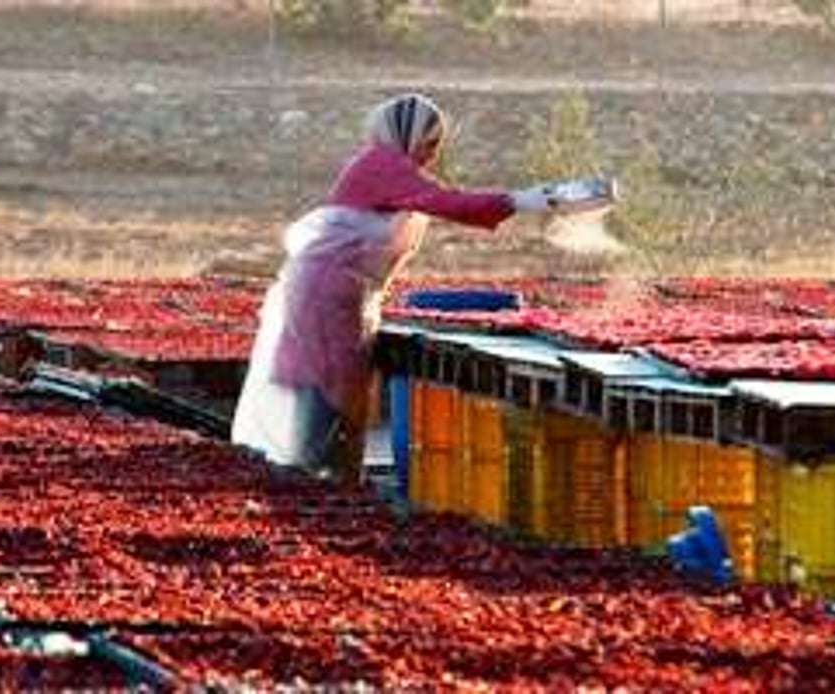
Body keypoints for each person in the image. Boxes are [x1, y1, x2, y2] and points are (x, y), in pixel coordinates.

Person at [231, 93, 613, 485]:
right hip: (326, 298)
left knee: (333, 387)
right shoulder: (382, 163)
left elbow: (440, 202)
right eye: (428, 144)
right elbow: (447, 202)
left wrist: (525, 202)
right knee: (325, 386)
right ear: (406, 135)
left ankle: (325, 476)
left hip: (339, 294)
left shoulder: (386, 165)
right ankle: (312, 478)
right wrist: (523, 200)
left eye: (436, 147)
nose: (431, 155)